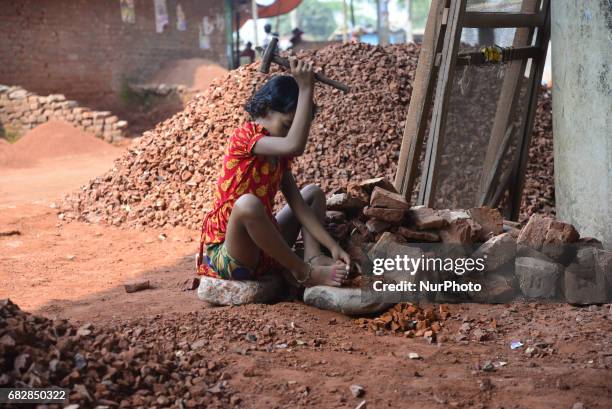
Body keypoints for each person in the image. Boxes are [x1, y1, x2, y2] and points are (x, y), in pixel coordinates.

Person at [197, 58, 351, 287]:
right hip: (231, 256)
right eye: (287, 125)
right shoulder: (245, 137)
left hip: (265, 249)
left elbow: (298, 205)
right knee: (247, 204)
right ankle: (304, 272)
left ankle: (313, 256)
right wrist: (306, 88)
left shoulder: (279, 157)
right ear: (267, 110)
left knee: (313, 194)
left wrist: (332, 245)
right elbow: (294, 145)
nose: (289, 133)